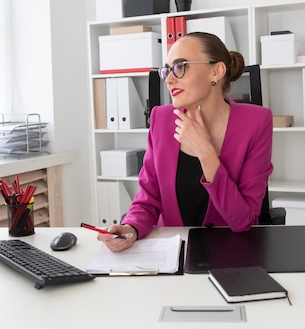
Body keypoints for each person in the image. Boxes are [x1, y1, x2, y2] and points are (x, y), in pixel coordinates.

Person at [98, 31, 274, 252]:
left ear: (216, 71)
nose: (169, 79)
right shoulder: (161, 119)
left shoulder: (257, 122)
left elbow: (243, 221)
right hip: (172, 253)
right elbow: (148, 198)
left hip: (231, 253)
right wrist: (131, 227)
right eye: (167, 70)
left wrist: (205, 152)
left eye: (181, 67)